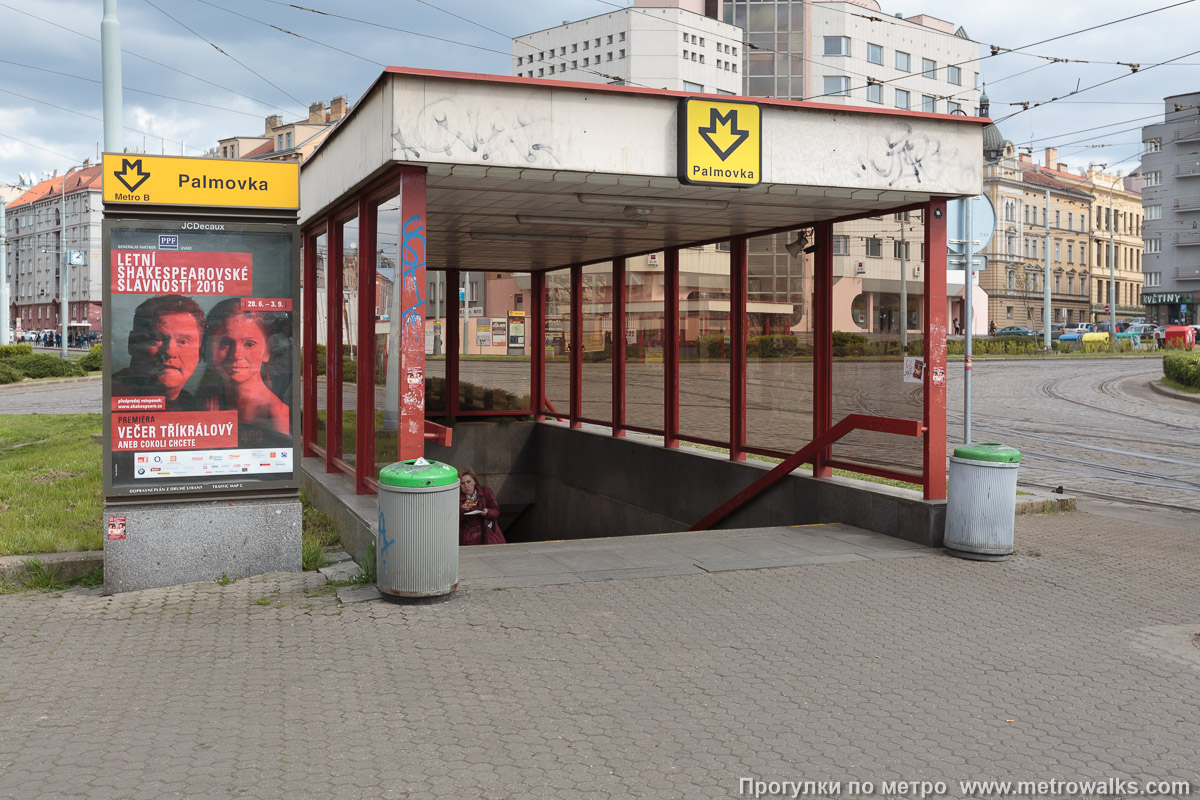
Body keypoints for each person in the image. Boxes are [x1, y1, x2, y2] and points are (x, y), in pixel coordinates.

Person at [198, 298, 290, 445]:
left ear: (267, 352)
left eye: (249, 344)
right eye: (226, 343)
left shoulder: (277, 415)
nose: (236, 355)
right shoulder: (209, 400)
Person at [111, 294, 205, 410]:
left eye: (183, 342)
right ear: (132, 343)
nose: (170, 352)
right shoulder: (114, 397)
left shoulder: (192, 405)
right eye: (156, 339)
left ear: (200, 352)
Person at [458, 467, 502, 546]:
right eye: (462, 483)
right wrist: (461, 510)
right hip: (466, 536)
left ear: (474, 481)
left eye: (468, 482)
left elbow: (496, 512)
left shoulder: (485, 492)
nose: (466, 485)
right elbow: (452, 520)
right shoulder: (457, 497)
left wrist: (487, 512)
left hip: (485, 532)